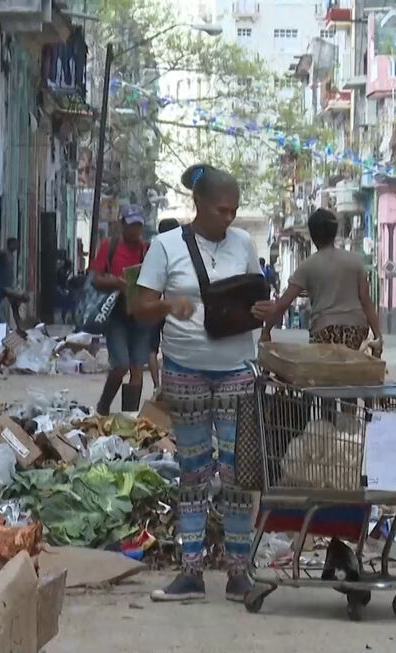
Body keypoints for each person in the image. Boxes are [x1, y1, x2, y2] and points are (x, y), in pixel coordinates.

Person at [134, 164, 267, 603]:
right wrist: (171, 304)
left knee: (236, 474)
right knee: (193, 472)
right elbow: (140, 306)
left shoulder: (244, 244)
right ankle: (190, 571)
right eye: (221, 210)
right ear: (198, 204)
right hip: (184, 370)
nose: (228, 219)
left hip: (235, 369)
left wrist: (267, 312)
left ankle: (238, 571)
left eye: (235, 211)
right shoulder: (165, 246)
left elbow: (254, 296)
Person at [257, 208, 383, 353]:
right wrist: (378, 336)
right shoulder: (355, 261)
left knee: (322, 371)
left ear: (312, 234)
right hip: (356, 330)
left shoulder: (307, 266)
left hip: (324, 330)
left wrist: (266, 331)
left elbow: (283, 304)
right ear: (335, 232)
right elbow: (366, 300)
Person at [90, 205, 152, 415]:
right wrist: (117, 283)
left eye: (138, 226)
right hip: (117, 314)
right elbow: (96, 279)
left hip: (141, 315)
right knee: (120, 365)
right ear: (121, 225)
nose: (135, 231)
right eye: (131, 225)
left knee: (137, 368)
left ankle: (129, 418)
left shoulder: (147, 250)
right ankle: (103, 407)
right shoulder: (110, 246)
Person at [147, 217, 180, 393]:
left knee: (152, 349)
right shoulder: (181, 251)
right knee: (170, 347)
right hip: (169, 307)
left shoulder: (154, 249)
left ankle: (156, 385)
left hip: (154, 307)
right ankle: (169, 383)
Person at [0, 237, 29, 332]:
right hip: (5, 286)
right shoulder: (5, 254)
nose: (17, 246)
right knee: (15, 304)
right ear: (10, 244)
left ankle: (19, 327)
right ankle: (18, 326)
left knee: (15, 306)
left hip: (9, 285)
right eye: (15, 244)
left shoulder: (11, 255)